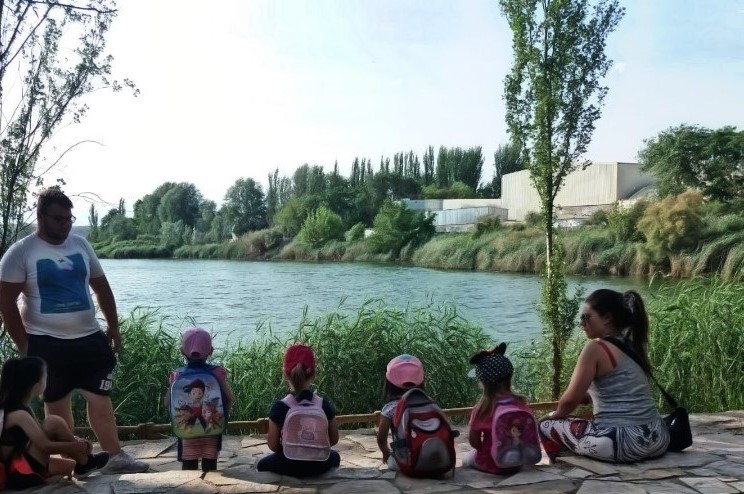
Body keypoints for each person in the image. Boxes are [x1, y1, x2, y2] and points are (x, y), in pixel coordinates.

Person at [0, 187, 149, 473]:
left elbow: (101, 288)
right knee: (57, 406)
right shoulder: (20, 253)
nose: (65, 224)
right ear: (40, 216)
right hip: (46, 342)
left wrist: (114, 327)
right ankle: (71, 462)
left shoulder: (80, 245)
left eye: (69, 218)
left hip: (89, 338)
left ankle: (115, 456)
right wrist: (26, 347)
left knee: (101, 399)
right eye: (58, 219)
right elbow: (6, 305)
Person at [539, 289, 670, 463]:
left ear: (607, 318)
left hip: (623, 443)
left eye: (586, 317)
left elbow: (569, 401)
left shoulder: (595, 349)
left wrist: (556, 414)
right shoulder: (632, 345)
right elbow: (620, 387)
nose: (582, 323)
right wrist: (589, 396)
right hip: (658, 437)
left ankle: (563, 465)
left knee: (545, 424)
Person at [0, 357, 109, 489]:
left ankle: (84, 462)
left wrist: (75, 442)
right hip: (16, 472)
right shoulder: (19, 414)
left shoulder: (21, 407)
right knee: (53, 422)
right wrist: (75, 446)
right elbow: (45, 446)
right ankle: (86, 461)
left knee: (71, 467)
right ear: (36, 386)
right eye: (45, 377)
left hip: (19, 462)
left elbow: (38, 437)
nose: (48, 379)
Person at [256, 344, 341, 477]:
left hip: (289, 464)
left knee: (261, 465)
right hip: (319, 464)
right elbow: (334, 439)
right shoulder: (324, 405)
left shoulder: (280, 407)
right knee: (335, 456)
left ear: (285, 374)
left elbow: (273, 445)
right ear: (314, 373)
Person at [165, 327, 234, 472]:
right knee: (210, 468)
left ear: (182, 351)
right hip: (212, 431)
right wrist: (222, 416)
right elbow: (229, 398)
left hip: (186, 435)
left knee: (189, 469)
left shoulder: (177, 375)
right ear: (211, 351)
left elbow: (167, 403)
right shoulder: (217, 372)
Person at [462, 343, 526, 474]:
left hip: (490, 463)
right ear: (509, 377)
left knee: (466, 458)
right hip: (518, 462)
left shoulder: (482, 409)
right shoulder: (520, 402)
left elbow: (474, 442)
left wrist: (483, 450)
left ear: (483, 381)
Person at [376, 354, 425, 470]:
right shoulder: (428, 402)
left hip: (407, 461)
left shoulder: (391, 407)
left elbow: (381, 438)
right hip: (432, 457)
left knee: (393, 462)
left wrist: (386, 453)